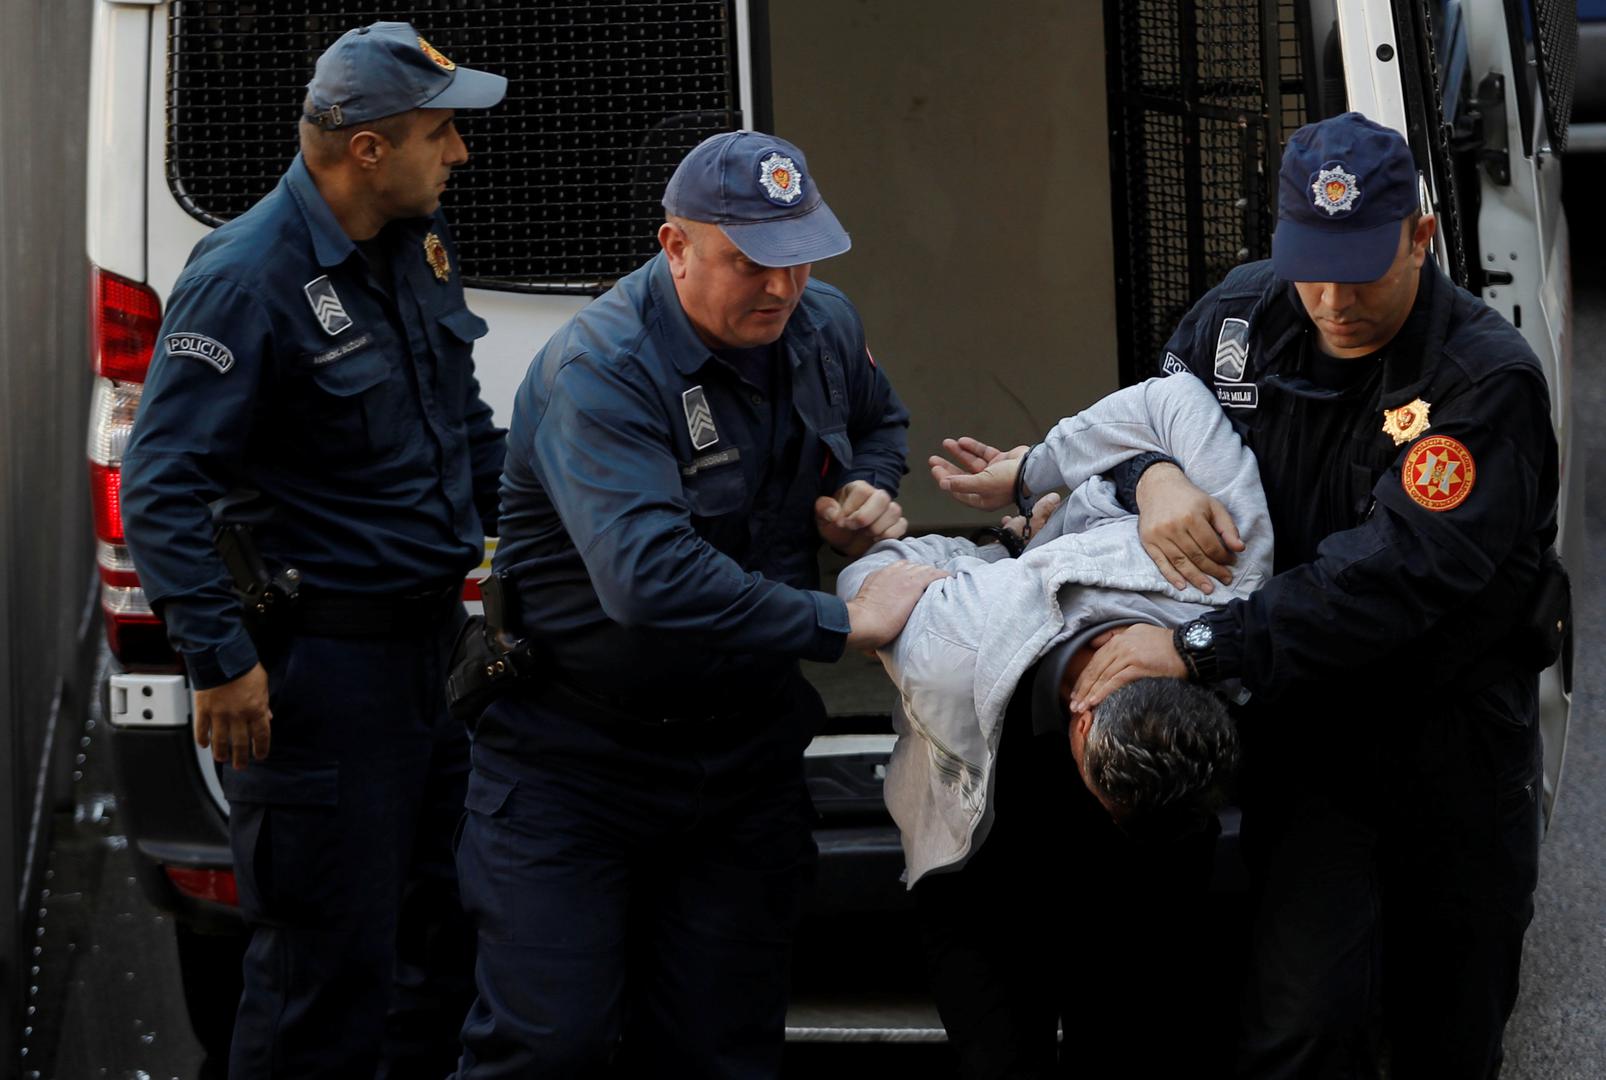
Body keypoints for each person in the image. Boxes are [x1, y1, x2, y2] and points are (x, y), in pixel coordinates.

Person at [1066, 112, 1560, 1077]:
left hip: (1448, 744)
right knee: (1301, 1025)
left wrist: (1203, 647)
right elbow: (1132, 430)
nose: (1333, 301)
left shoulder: (1482, 379)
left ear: (1420, 237)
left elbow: (1395, 576)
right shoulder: (1238, 320)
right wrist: (1152, 480)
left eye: (1361, 271)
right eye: (1311, 268)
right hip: (1312, 738)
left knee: (1448, 1031)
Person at [452, 130, 935, 1077]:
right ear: (674, 247)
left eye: (800, 257)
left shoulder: (821, 326)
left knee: (724, 1050)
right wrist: (841, 622)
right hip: (575, 765)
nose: (780, 287)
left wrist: (862, 492)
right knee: (549, 1049)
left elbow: (881, 421)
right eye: (750, 262)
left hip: (742, 759)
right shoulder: (604, 368)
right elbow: (649, 577)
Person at [120, 22, 507, 1079]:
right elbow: (160, 486)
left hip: (433, 657)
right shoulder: (245, 277)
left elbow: (465, 431)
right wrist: (219, 659)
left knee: (443, 952)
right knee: (320, 987)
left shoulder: (414, 241)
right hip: (323, 680)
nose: (460, 152)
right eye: (440, 133)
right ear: (368, 150)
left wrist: (574, 530)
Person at [841, 372, 1265, 1076]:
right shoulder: (958, 646)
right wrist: (1032, 500)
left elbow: (1174, 401)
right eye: (1108, 801)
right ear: (1082, 723)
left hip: (1147, 882)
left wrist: (1139, 479)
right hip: (982, 872)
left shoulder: (1230, 586)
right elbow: (871, 582)